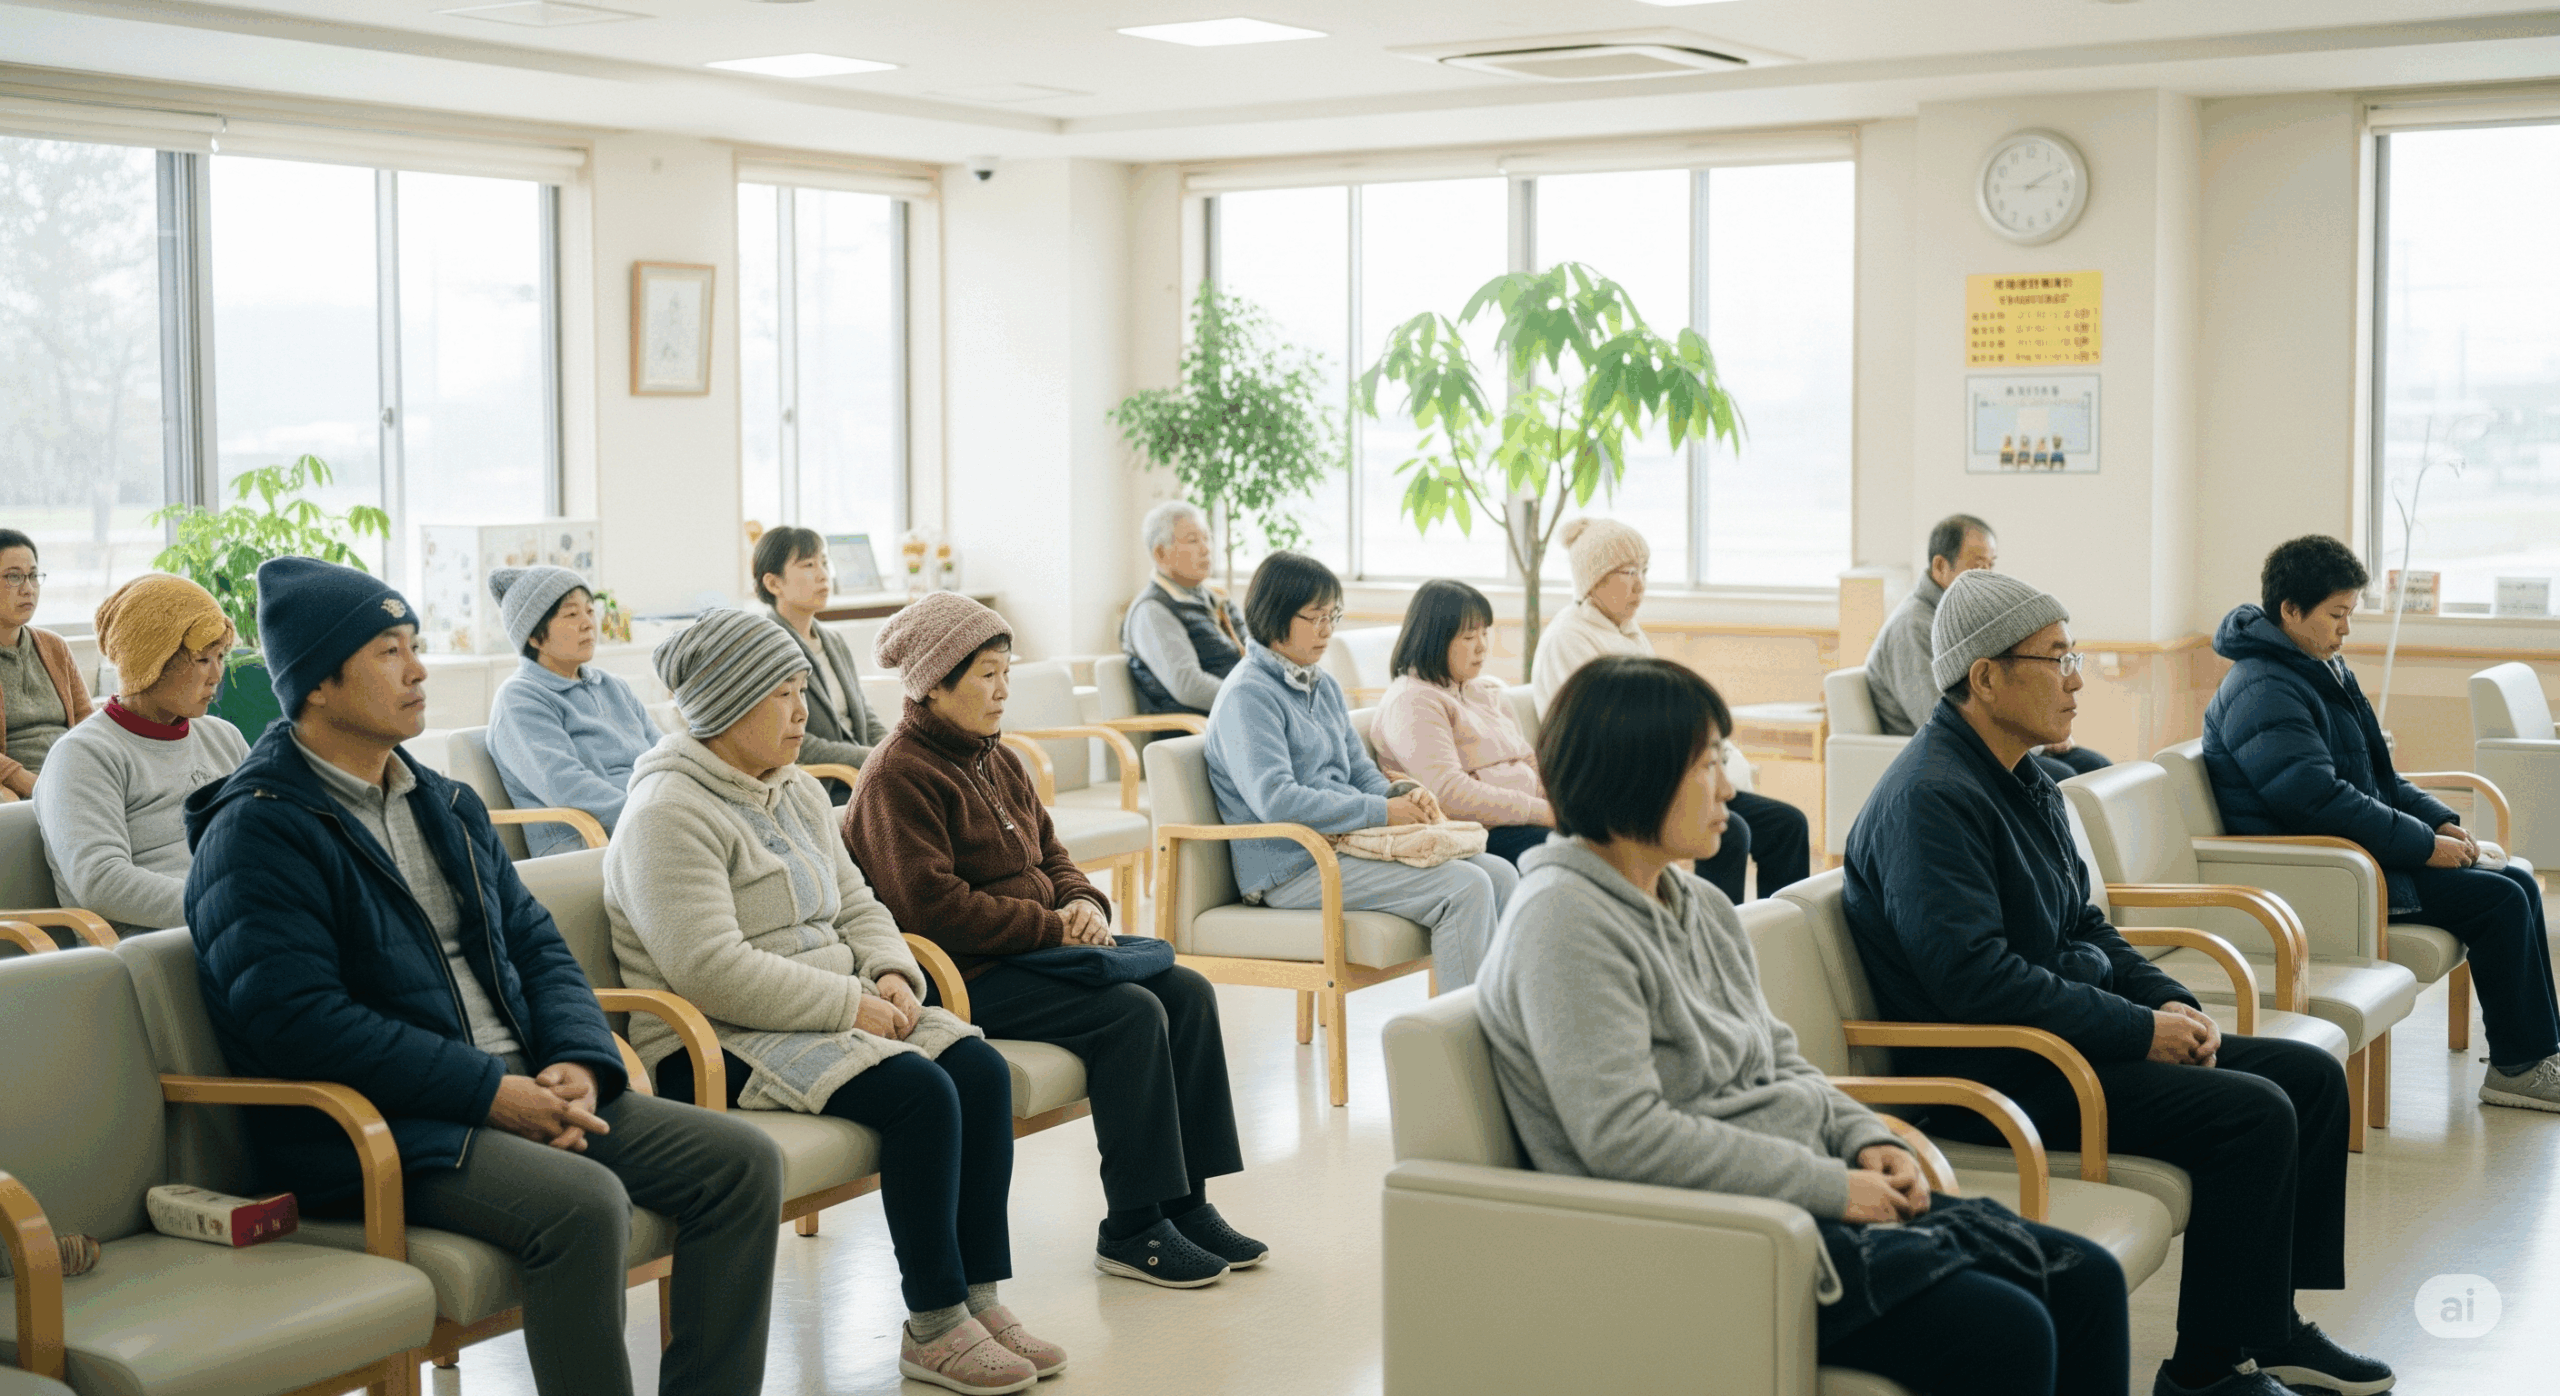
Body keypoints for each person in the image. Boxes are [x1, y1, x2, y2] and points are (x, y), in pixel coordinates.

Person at [184, 556, 786, 1396]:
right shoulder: (258, 831)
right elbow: (298, 1022)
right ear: (317, 683)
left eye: (415, 644)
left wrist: (578, 1059)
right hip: (386, 1125)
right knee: (584, 1204)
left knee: (742, 1164)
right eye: (389, 652)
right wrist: (490, 1094)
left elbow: (538, 948)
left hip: (521, 1084)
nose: (419, 669)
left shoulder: (445, 803)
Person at [1479, 654, 2130, 1396]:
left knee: (2086, 1281)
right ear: (1635, 775)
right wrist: (1829, 1184)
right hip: (1709, 1236)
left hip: (1790, 1194)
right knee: (2008, 1329)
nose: (1729, 787)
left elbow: (1780, 1061)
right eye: (1707, 764)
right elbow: (1622, 1135)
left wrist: (1867, 1139)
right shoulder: (1562, 922)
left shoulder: (1699, 905)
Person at [1843, 568, 2387, 1396]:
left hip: (2065, 1040)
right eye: (2056, 658)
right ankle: (2207, 1372)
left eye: (2075, 655)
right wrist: (2137, 1030)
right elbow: (1975, 983)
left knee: (2310, 1077)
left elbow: (2086, 923)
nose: (2076, 679)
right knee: (2252, 1115)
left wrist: (2166, 1002)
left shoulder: (2026, 778)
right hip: (1999, 1073)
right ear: (1984, 677)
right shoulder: (1932, 797)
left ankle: (2266, 1329)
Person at [607, 608, 1061, 1395]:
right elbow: (710, 970)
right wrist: (847, 1005)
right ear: (724, 705)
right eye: (782, 695)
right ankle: (934, 1325)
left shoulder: (796, 791)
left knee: (978, 1069)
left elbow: (857, 901)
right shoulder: (666, 814)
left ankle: (977, 1300)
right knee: (920, 1092)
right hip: (711, 1041)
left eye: (802, 690)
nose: (801, 713)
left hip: (822, 1009)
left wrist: (890, 971)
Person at [845, 590, 1264, 1292]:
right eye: (986, 675)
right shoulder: (897, 776)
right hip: (968, 976)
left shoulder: (998, 758)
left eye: (1007, 672)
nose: (1003, 689)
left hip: (1040, 953)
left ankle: (1186, 1204)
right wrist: (1051, 924)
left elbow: (1054, 855)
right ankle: (1133, 1227)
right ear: (933, 683)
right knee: (1132, 1013)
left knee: (1187, 991)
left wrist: (1082, 902)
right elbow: (932, 911)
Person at [2206, 534, 2560, 1113]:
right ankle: (2518, 1069)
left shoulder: (2316, 668)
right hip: (2319, 876)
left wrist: (2438, 822)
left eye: (2349, 613)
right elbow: (2317, 801)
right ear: (2290, 610)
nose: (2345, 630)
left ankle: (2538, 1052)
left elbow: (2378, 778)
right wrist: (2422, 846)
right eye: (2336, 615)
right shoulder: (2264, 687)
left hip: (2355, 857)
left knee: (2516, 879)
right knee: (2499, 900)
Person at [1205, 552, 1519, 989]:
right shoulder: (1248, 695)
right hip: (1294, 866)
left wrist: (1400, 795)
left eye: (1332, 615)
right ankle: (1467, 1028)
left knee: (1501, 874)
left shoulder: (1322, 684)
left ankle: (1501, 1015)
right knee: (1465, 887)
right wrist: (1380, 813)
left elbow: (1359, 771)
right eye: (1315, 617)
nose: (1327, 629)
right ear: (1274, 616)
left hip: (1345, 845)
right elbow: (1276, 800)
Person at [1527, 516, 1809, 902]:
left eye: (1644, 571)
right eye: (1628, 572)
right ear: (1593, 580)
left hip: (1670, 772)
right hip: (1626, 783)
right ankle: (1706, 932)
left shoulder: (1626, 631)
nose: (1640, 585)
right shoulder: (1568, 638)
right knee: (1732, 832)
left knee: (1786, 825)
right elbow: (1601, 734)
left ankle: (1770, 933)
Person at [33, 574, 248, 933]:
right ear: (150, 661)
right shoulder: (82, 754)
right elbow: (101, 882)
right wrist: (229, 906)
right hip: (160, 943)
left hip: (245, 925)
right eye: (202, 659)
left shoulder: (224, 738)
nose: (216, 675)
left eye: (221, 657)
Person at [1865, 513, 2110, 782]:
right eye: (1978, 566)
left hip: (1994, 741)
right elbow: (1936, 714)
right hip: (1949, 757)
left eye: (1990, 565)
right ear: (1941, 566)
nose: (1987, 576)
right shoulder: (1912, 625)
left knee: (2097, 766)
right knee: (2065, 776)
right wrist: (2035, 741)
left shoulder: (1966, 623)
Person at [1372, 579, 1550, 866]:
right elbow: (1449, 794)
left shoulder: (1480, 689)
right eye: (1468, 637)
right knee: (1588, 852)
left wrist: (1556, 805)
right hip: (1475, 834)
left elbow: (1526, 757)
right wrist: (1541, 811)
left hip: (1525, 821)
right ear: (1434, 639)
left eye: (1484, 633)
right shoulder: (1412, 701)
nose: (1482, 647)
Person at [484, 565, 658, 858]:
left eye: (590, 611)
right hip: (584, 840)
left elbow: (662, 753)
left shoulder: (613, 686)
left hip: (648, 821)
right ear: (534, 636)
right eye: (571, 614)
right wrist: (655, 815)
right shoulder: (520, 698)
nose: (588, 623)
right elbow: (566, 786)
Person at [755, 526, 890, 799]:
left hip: (864, 774)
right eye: (808, 565)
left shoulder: (833, 641)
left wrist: (895, 748)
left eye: (824, 563)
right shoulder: (766, 649)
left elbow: (865, 715)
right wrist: (871, 757)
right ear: (773, 583)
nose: (823, 574)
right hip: (821, 784)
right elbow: (792, 740)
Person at [1121, 500, 1248, 716]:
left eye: (1207, 538)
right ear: (1161, 553)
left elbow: (1254, 650)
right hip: (1199, 726)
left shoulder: (1217, 598)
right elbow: (1189, 687)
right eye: (1193, 541)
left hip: (1239, 715)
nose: (1206, 549)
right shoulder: (1152, 610)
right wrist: (1253, 700)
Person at [0, 528, 94, 801]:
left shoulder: (54, 646)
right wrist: (35, 784)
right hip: (19, 788)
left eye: (33, 576)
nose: (28, 589)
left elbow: (88, 723)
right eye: (14, 577)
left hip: (70, 776)